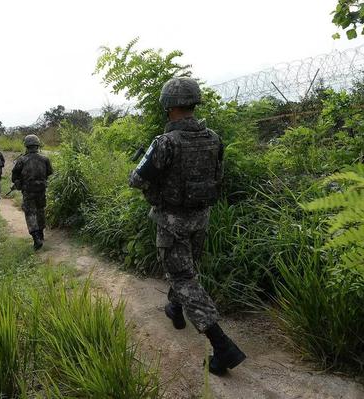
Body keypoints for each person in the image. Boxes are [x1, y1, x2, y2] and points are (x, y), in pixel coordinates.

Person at [128, 77, 246, 376]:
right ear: (194, 103)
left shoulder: (164, 142)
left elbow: (137, 180)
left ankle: (222, 346)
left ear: (168, 106)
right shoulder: (214, 138)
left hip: (172, 222)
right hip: (201, 218)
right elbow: (218, 175)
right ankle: (176, 309)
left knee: (183, 277)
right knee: (185, 268)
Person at [12, 134, 53, 250]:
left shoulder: (22, 160)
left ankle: (36, 238)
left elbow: (14, 175)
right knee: (40, 211)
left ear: (26, 146)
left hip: (28, 191)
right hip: (41, 190)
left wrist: (18, 181)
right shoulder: (45, 159)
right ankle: (41, 233)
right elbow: (49, 172)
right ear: (37, 145)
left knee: (30, 213)